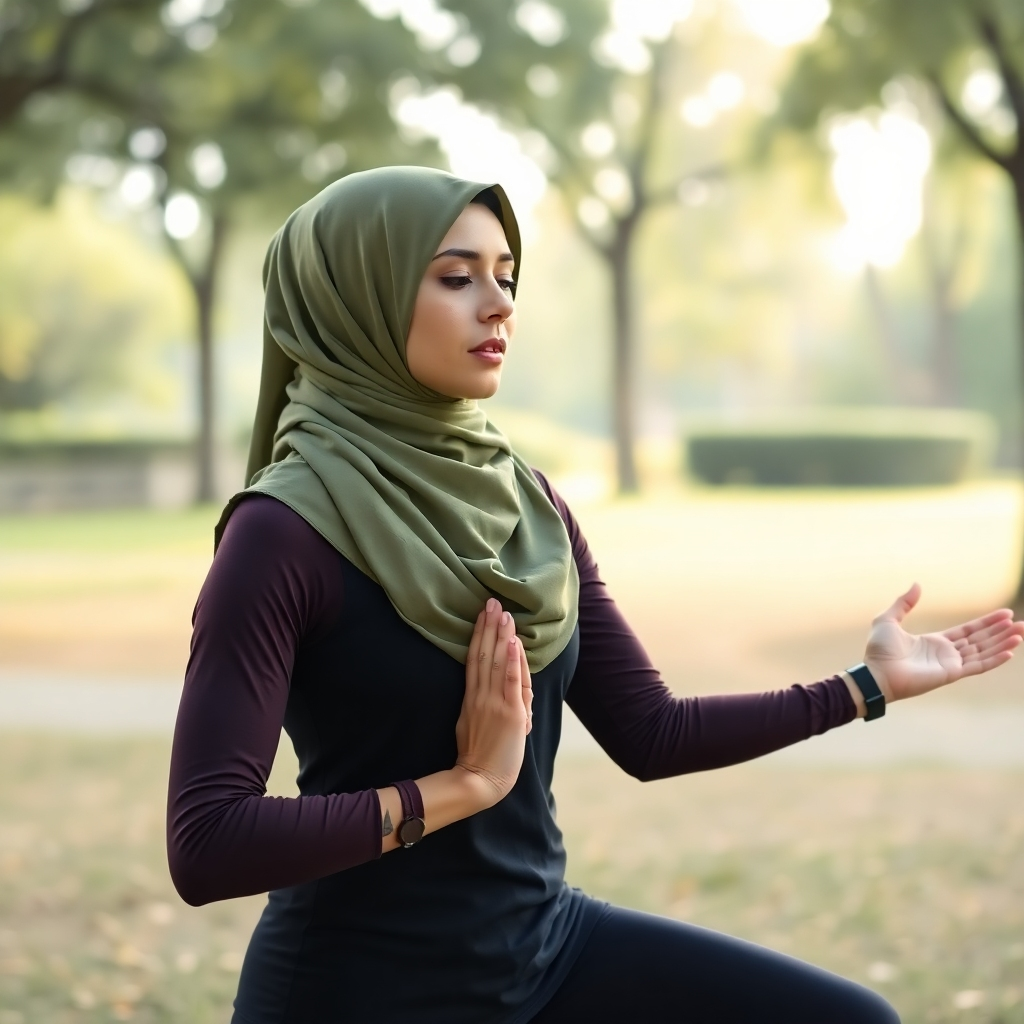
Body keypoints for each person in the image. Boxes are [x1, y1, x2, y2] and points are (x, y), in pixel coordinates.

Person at [166, 166, 1024, 1024]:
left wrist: (863, 687)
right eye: (457, 276)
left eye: (506, 276)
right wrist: (462, 786)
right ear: (355, 300)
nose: (498, 304)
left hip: (542, 955)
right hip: (356, 990)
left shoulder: (526, 505)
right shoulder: (279, 535)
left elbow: (651, 730)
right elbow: (207, 844)